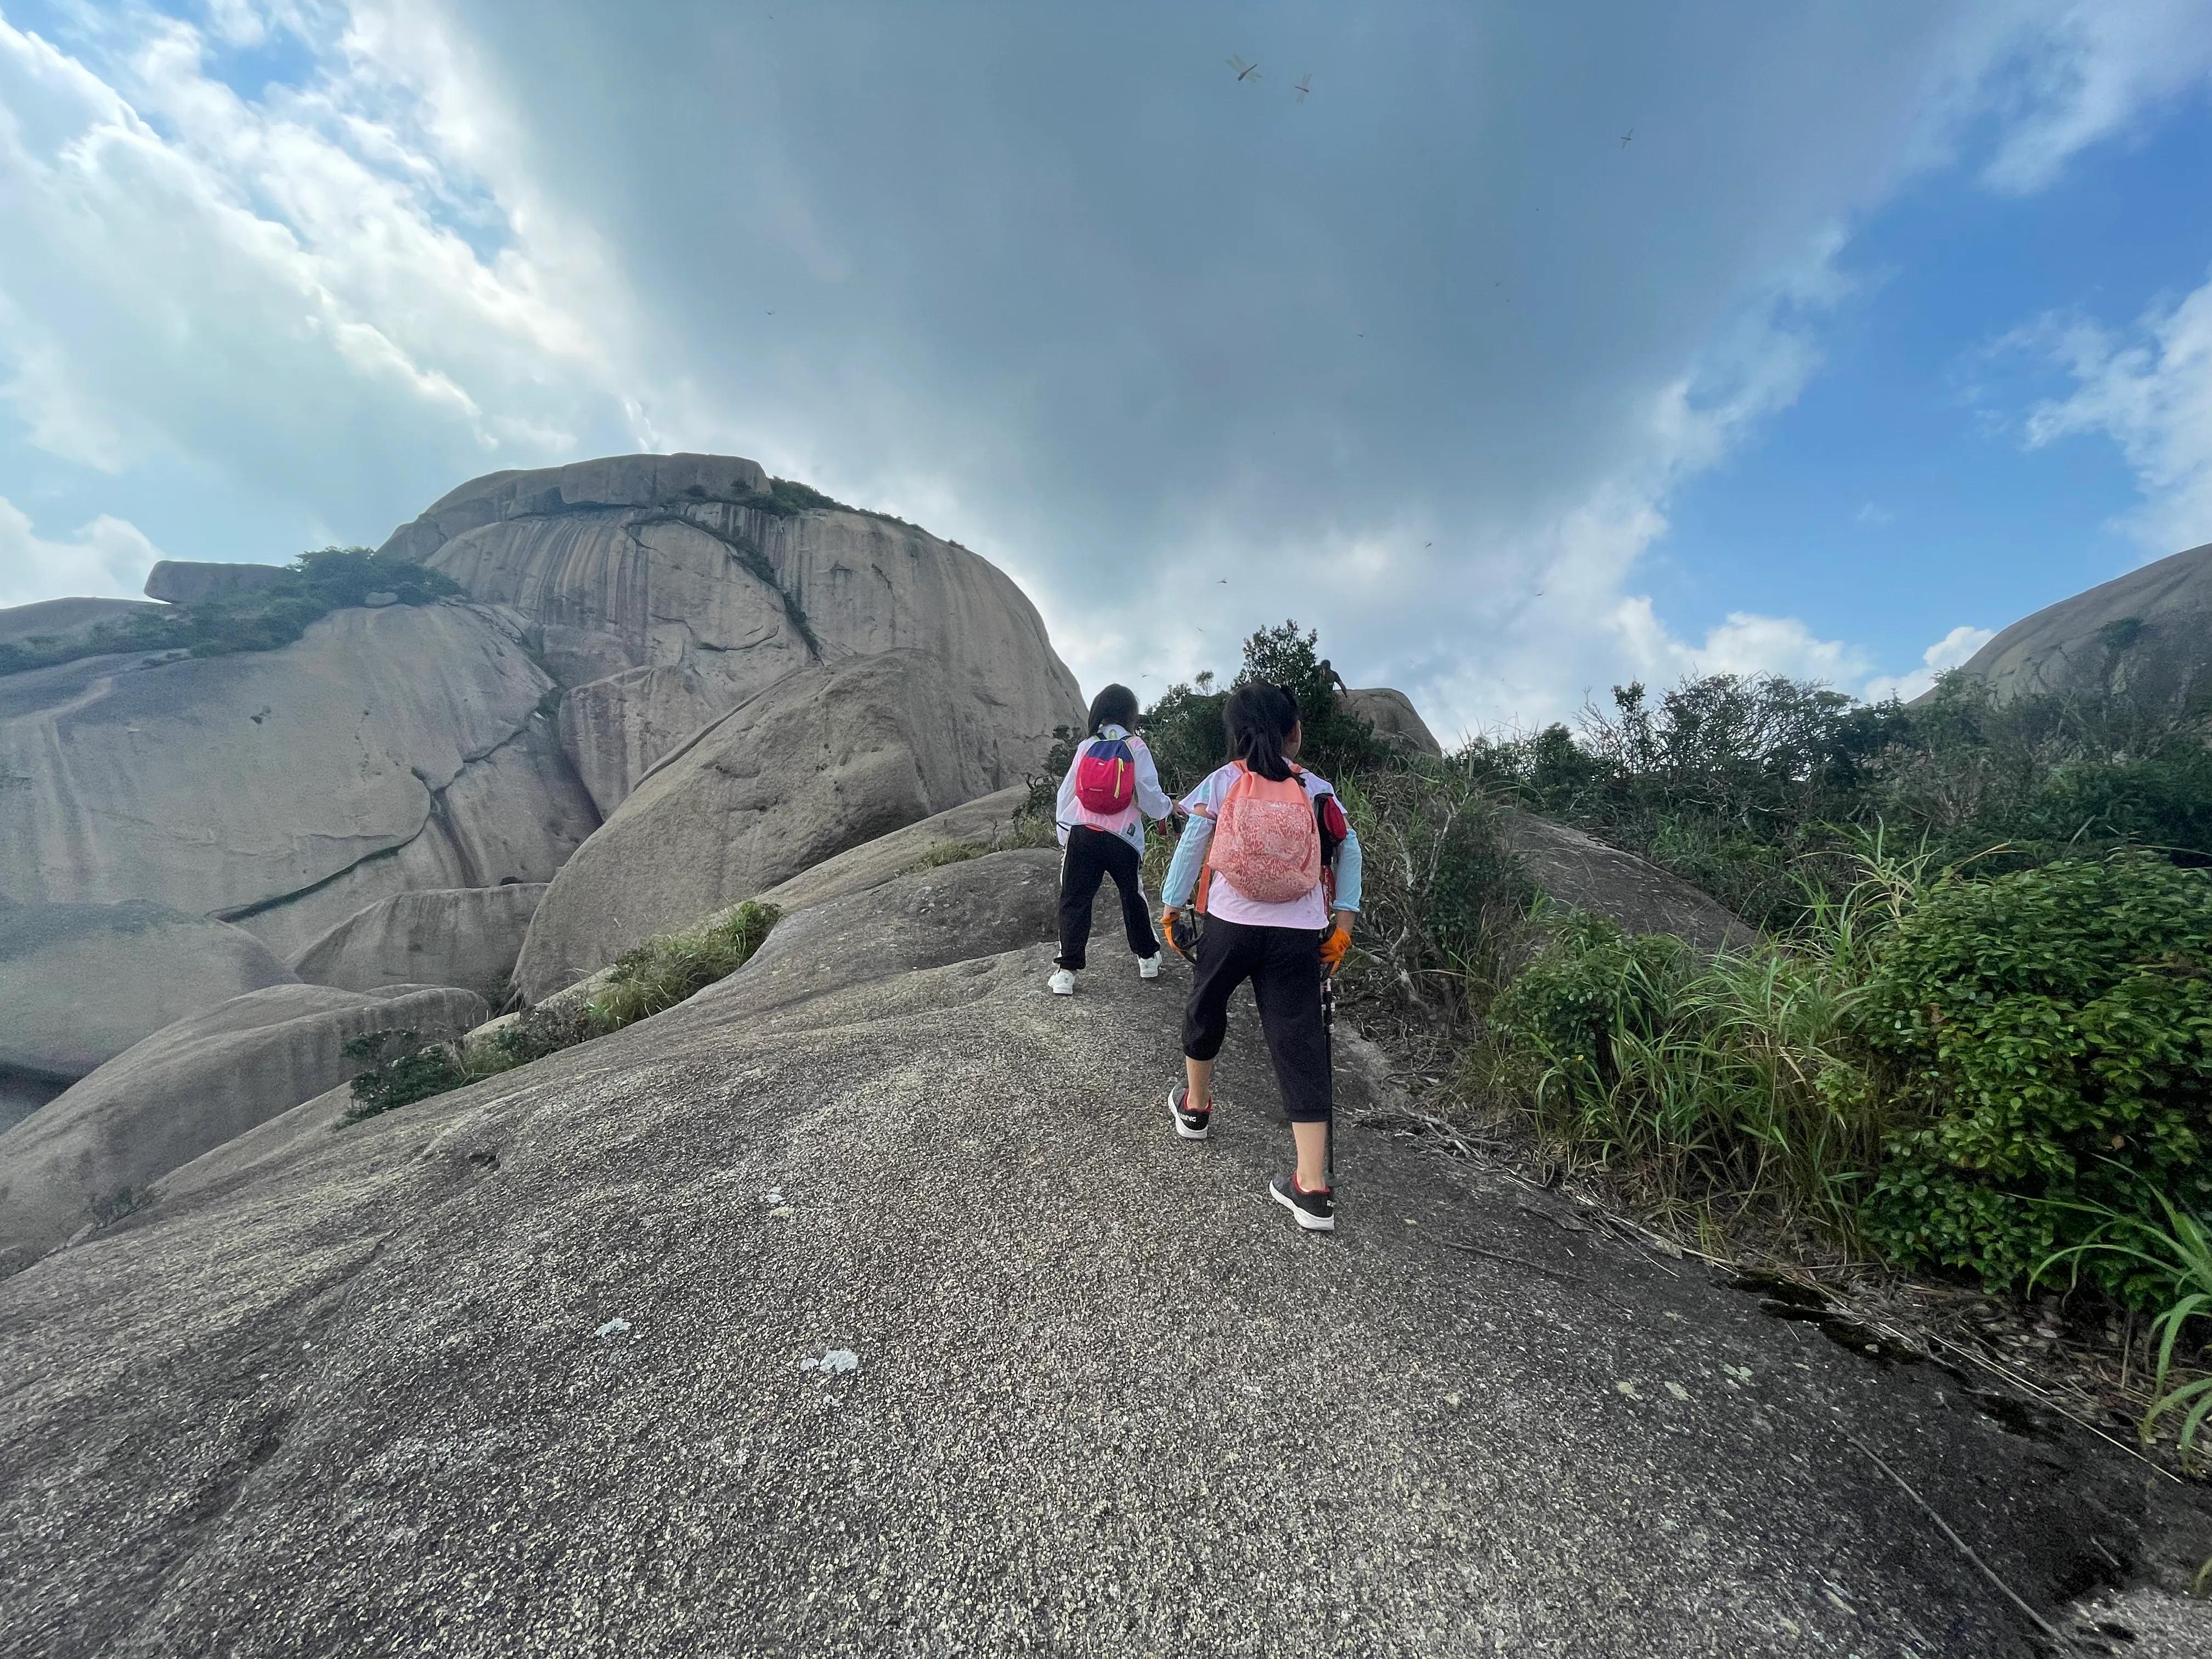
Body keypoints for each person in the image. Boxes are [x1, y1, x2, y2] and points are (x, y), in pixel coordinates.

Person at [1158, 683, 1360, 1232]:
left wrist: (1172, 908)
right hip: (1298, 932)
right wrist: (1342, 926)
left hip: (1230, 925)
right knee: (1299, 1041)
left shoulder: (1225, 780)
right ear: (1295, 732)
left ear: (1237, 734)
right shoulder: (1318, 789)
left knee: (1207, 1007)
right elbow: (1349, 850)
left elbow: (1193, 839)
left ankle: (1196, 1107)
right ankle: (1313, 1189)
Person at [1049, 684, 1175, 995]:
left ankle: (1066, 972)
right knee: (1133, 897)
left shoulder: (1087, 745)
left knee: (1075, 900)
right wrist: (1167, 810)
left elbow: (1066, 792)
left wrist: (1065, 833)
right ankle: (1147, 959)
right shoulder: (1135, 745)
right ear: (1130, 714)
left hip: (1083, 832)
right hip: (1123, 836)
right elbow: (1149, 795)